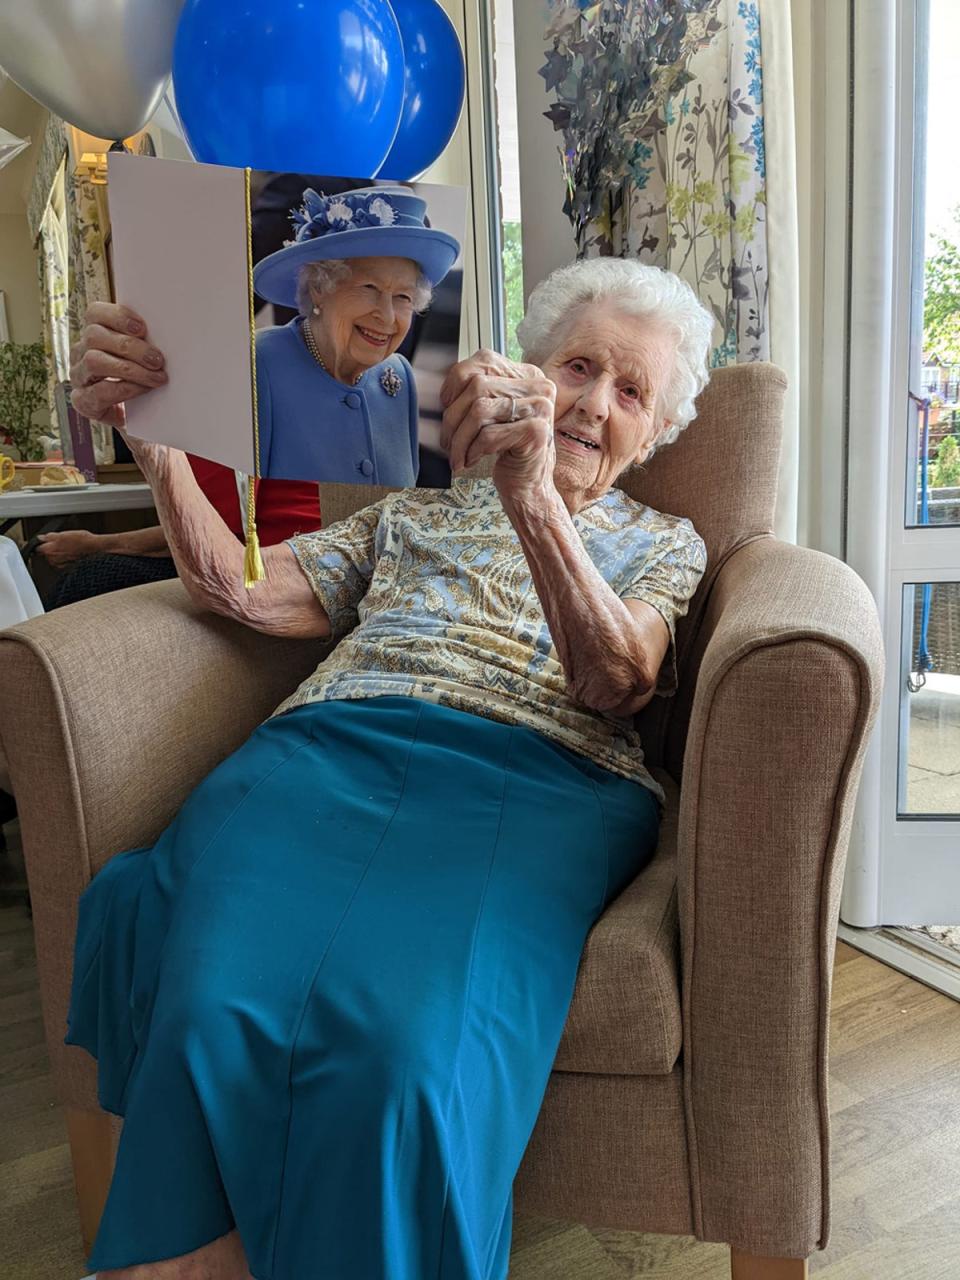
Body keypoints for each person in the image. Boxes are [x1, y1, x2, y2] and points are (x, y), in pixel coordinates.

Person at [65, 256, 712, 1280]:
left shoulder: (664, 542)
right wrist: (160, 451)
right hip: (328, 749)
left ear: (657, 428)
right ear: (530, 371)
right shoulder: (411, 510)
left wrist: (533, 500)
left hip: (531, 779)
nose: (594, 403)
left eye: (630, 391)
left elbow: (616, 680)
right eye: (578, 366)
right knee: (206, 999)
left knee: (407, 1060)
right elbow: (246, 594)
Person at [250, 184, 460, 486]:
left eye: (403, 297)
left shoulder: (399, 374)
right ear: (319, 288)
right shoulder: (260, 364)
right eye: (369, 288)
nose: (387, 317)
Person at [34, 452, 324, 608]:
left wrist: (93, 544)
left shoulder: (221, 420)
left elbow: (203, 534)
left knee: (90, 579)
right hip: (302, 555)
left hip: (270, 565)